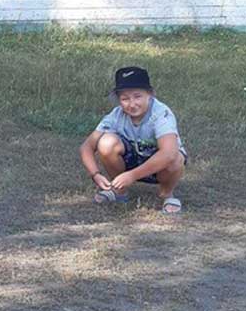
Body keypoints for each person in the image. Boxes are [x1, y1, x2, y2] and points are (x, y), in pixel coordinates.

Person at [79, 66, 186, 215]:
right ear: (118, 100)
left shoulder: (161, 113)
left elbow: (168, 153)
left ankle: (167, 194)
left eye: (137, 96)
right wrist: (95, 174)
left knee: (175, 158)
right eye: (125, 98)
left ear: (150, 94)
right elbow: (86, 147)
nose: (132, 103)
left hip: (160, 165)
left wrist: (132, 176)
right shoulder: (116, 115)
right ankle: (119, 191)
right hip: (133, 159)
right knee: (106, 143)